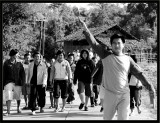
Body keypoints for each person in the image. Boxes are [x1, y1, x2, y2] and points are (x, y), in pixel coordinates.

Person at [79, 19, 156, 120]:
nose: (116, 45)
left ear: (123, 45)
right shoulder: (105, 55)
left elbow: (139, 74)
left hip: (124, 95)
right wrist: (85, 27)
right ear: (111, 45)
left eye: (119, 43)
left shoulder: (128, 60)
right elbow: (94, 43)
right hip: (109, 95)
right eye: (114, 43)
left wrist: (150, 86)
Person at [3, 49, 25, 116]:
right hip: (8, 82)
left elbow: (22, 73)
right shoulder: (6, 63)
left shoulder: (19, 63)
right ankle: (8, 111)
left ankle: (18, 108)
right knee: (8, 95)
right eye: (17, 54)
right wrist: (3, 84)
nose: (18, 55)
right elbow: (3, 74)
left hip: (17, 82)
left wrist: (23, 82)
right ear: (13, 55)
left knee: (18, 96)